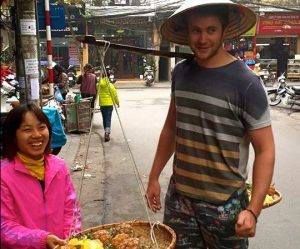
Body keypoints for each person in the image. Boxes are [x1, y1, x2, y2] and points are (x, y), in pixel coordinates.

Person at [145, 1, 275, 248]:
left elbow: (265, 150)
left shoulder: (246, 84)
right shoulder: (181, 73)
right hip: (180, 199)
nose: (203, 38)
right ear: (187, 32)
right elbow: (172, 128)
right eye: (196, 30)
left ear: (224, 31)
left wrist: (253, 210)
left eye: (211, 30)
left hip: (225, 205)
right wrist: (153, 177)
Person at [1, 103, 81, 249]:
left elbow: (72, 209)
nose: (37, 135)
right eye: (27, 129)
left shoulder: (59, 167)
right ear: (13, 136)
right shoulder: (3, 175)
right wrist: (42, 239)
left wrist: (70, 240)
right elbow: (4, 227)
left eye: (42, 127)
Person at [97, 72, 120, 142]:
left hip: (102, 105)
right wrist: (117, 103)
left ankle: (106, 131)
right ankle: (107, 132)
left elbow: (97, 89)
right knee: (108, 119)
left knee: (104, 119)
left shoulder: (98, 85)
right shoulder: (111, 85)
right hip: (109, 105)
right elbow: (115, 95)